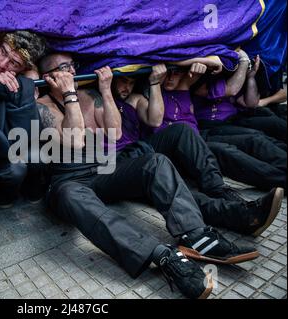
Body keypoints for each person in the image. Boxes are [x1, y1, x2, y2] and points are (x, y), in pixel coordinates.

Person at [36, 52, 259, 299]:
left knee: (155, 161)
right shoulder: (41, 106)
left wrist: (106, 91)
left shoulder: (91, 96)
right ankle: (160, 254)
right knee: (68, 195)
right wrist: (68, 95)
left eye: (73, 66)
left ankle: (196, 235)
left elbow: (116, 132)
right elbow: (75, 141)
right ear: (50, 77)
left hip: (104, 168)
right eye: (65, 68)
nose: (73, 72)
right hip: (69, 179)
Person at [111, 65, 284, 237]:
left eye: (131, 82)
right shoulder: (93, 99)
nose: (127, 87)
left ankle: (220, 190)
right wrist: (105, 92)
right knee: (176, 187)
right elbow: (100, 148)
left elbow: (154, 120)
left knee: (190, 137)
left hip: (145, 152)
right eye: (123, 81)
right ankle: (243, 217)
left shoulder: (135, 98)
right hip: (118, 166)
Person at [191, 50, 287, 190]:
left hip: (233, 119)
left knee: (268, 131)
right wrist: (243, 62)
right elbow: (232, 89)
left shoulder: (231, 73)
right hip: (209, 127)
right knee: (254, 140)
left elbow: (251, 103)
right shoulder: (199, 78)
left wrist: (251, 77)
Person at [0, 31, 47, 207]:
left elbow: (27, 136)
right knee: (15, 169)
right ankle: (2, 198)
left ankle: (31, 195)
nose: (2, 64)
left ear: (24, 69)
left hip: (10, 140)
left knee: (37, 157)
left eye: (14, 63)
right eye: (3, 52)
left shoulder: (20, 81)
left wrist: (22, 89)